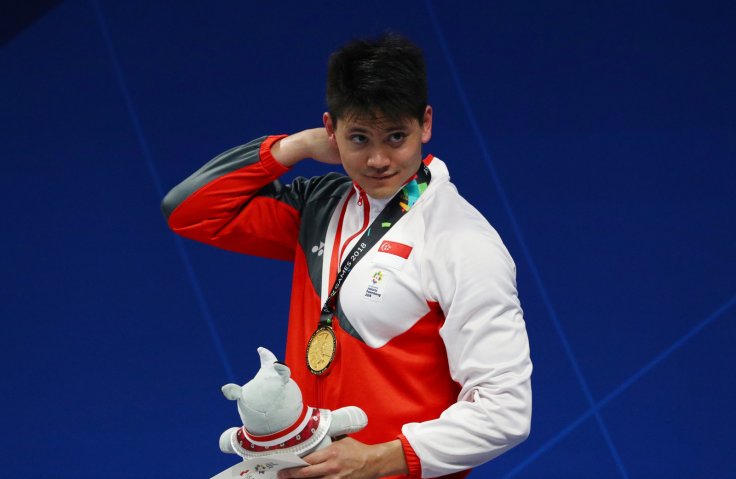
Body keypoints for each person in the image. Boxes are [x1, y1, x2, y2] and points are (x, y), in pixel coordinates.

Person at [162, 33, 532, 479]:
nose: (378, 159)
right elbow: (190, 212)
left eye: (396, 136)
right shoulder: (318, 206)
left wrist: (376, 460)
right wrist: (291, 148)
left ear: (426, 123)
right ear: (331, 130)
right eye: (358, 138)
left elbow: (504, 412)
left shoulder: (464, 243)